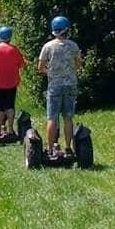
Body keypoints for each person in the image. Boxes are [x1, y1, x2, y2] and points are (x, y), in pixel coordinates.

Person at [37, 15, 82, 156]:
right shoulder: (73, 45)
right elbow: (78, 65)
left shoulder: (48, 46)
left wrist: (50, 72)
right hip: (70, 84)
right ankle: (68, 147)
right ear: (66, 29)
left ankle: (50, 149)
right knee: (68, 117)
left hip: (54, 86)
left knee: (52, 117)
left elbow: (40, 67)